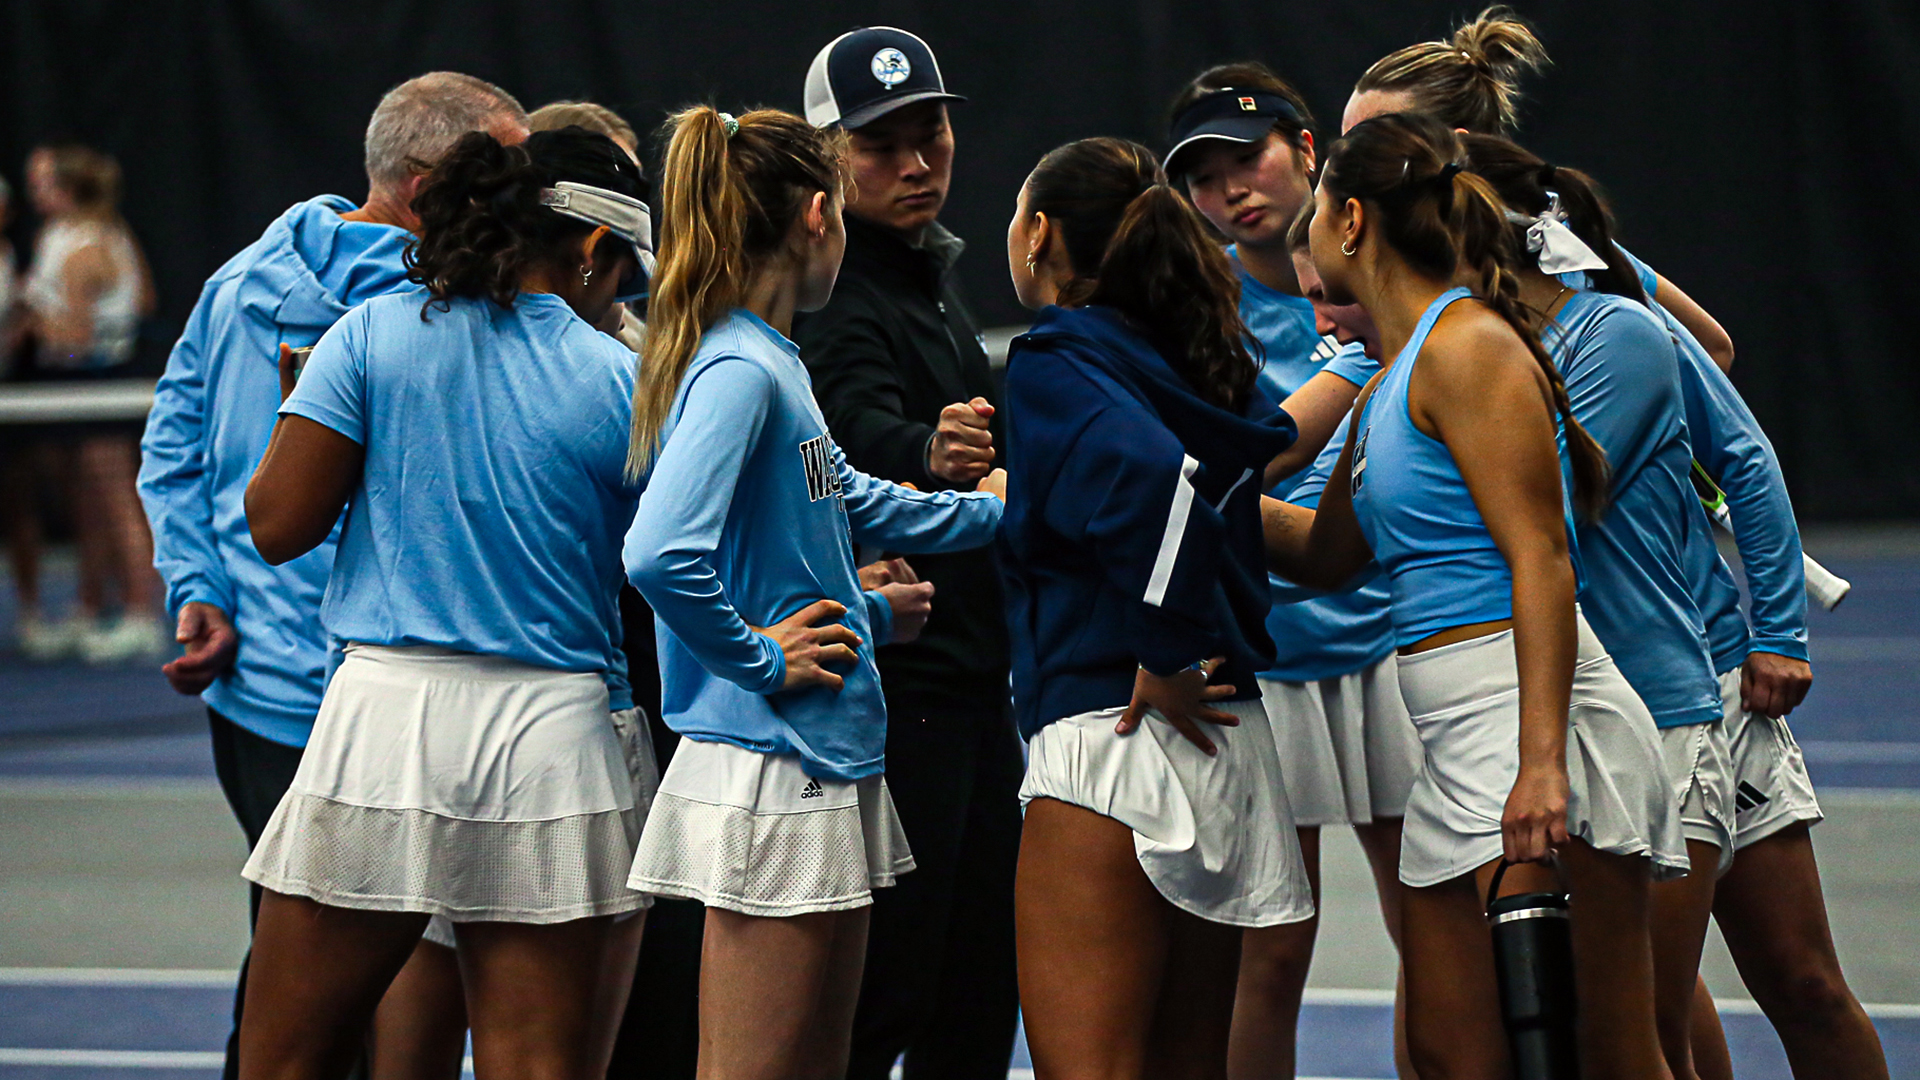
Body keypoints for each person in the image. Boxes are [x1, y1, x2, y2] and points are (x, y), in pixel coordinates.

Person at [1262, 111, 1688, 1080]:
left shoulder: (1469, 348)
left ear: (1352, 222)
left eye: (1320, 201)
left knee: (1612, 1053)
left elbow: (1540, 557)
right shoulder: (1389, 382)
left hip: (1527, 723)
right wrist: (1174, 481)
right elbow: (1326, 553)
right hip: (1454, 739)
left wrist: (1541, 764)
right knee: (1453, 1055)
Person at [238, 124, 652, 1080]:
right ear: (591, 252)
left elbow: (276, 524)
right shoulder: (624, 380)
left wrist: (316, 416)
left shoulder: (371, 334)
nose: (623, 300)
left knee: (283, 1065)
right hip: (556, 737)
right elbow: (675, 560)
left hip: (385, 725)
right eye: (623, 276)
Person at [137, 71, 529, 1080]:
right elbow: (184, 446)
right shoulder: (428, 312)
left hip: (299, 701)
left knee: (300, 985)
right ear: (425, 182)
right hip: (351, 708)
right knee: (347, 1005)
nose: (526, 194)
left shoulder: (239, 278)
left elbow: (173, 449)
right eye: (507, 169)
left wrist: (198, 590)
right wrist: (202, 587)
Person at [621, 105, 1004, 1080]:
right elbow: (662, 553)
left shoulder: (773, 362)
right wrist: (760, 655)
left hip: (820, 755)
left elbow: (848, 495)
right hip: (771, 765)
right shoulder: (740, 371)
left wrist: (991, 513)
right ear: (820, 217)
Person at [1000, 136, 1310, 1080]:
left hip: (1116, 741)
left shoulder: (1055, 359)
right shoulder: (1185, 353)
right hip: (1225, 744)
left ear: (1041, 233)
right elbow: (1230, 463)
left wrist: (1162, 650)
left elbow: (1155, 484)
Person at [1161, 65, 1418, 1080]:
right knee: (1270, 950)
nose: (1234, 188)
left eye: (1251, 157)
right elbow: (1205, 473)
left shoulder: (1389, 281)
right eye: (1207, 176)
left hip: (1398, 642)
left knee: (1437, 928)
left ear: (1309, 151)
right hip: (1274, 663)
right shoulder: (1199, 306)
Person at [1462, 133, 1736, 1080]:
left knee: (1642, 1023)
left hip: (1652, 703)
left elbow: (1547, 528)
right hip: (1557, 693)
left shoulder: (1616, 332)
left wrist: (1775, 629)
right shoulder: (1479, 346)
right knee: (1589, 1020)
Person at [793, 26, 1022, 1079]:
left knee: (974, 997)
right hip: (903, 694)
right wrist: (929, 449)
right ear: (827, 157)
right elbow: (839, 451)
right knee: (894, 997)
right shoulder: (830, 295)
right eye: (882, 144)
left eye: (929, 131)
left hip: (969, 691)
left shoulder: (928, 276)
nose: (918, 161)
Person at [1341, 4, 1738, 375]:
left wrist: (1620, 419)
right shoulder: (1394, 288)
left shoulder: (1561, 245)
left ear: (1453, 150)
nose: (1347, 173)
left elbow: (1714, 350)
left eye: (1372, 148)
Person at [17, 144, 162, 663]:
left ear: (67, 190)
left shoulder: (89, 247)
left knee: (117, 496)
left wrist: (31, 319)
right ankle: (89, 605)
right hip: (73, 380)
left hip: (97, 377)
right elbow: (143, 299)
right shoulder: (62, 237)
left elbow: (77, 339)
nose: (34, 191)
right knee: (88, 499)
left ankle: (143, 613)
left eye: (44, 183)